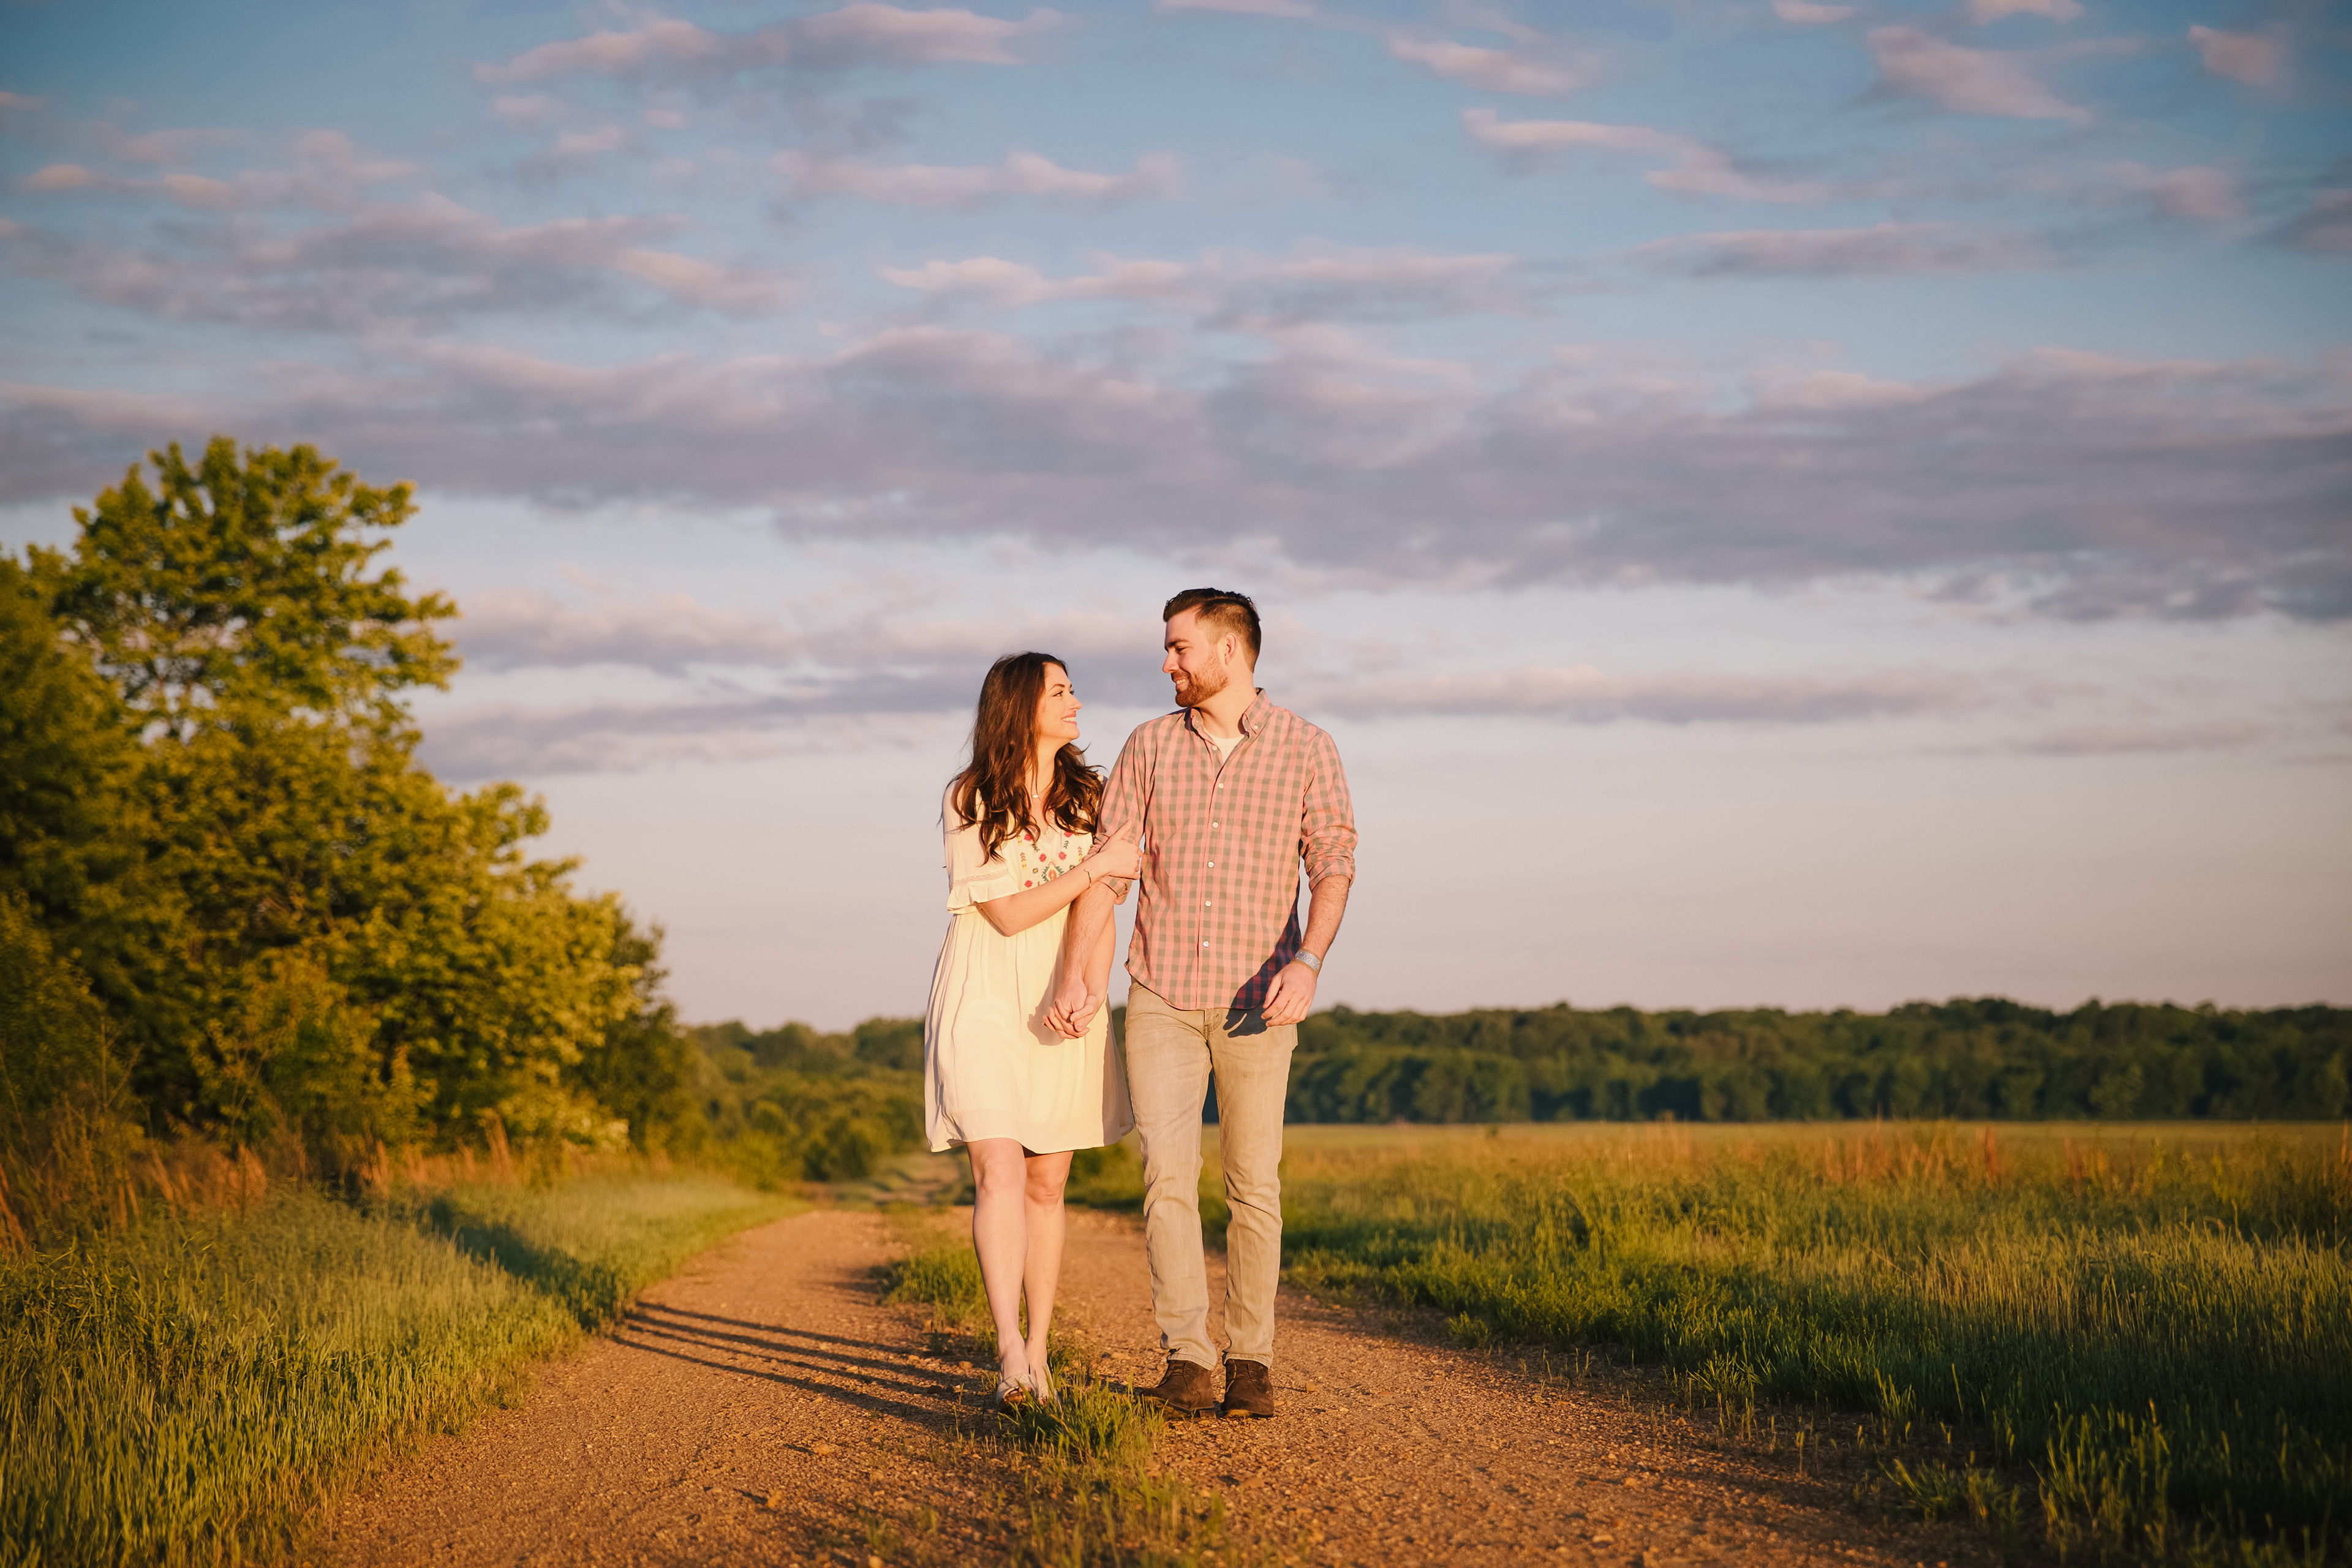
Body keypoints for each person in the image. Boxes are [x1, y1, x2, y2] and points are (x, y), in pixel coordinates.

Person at [1047, 589, 1356, 1420]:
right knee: (1166, 1180)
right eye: (1168, 649)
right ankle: (1187, 1358)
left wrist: (1310, 960)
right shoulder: (1148, 747)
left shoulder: (1307, 747)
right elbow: (1110, 875)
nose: (1167, 663)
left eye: (1179, 648)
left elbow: (1333, 862)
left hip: (1262, 1002)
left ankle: (1250, 1359)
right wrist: (1078, 975)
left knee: (1254, 1184)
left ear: (1229, 652)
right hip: (1161, 995)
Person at [924, 652, 1140, 1409]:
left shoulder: (1094, 794)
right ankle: (1008, 1350)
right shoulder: (970, 796)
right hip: (986, 992)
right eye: (1061, 690)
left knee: (1048, 1181)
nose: (1077, 700)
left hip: (1068, 990)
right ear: (1021, 705)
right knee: (999, 1170)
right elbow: (1008, 913)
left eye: (1073, 687)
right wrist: (1092, 869)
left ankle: (1041, 1350)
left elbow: (1105, 904)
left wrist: (1088, 985)